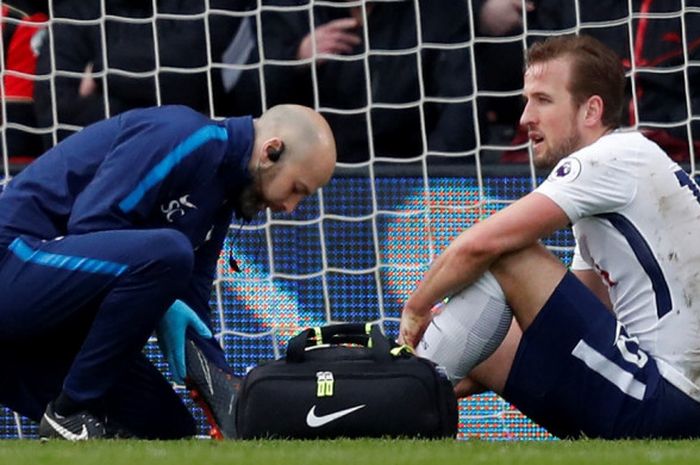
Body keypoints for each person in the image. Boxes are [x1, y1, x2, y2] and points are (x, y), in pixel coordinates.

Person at [399, 34, 700, 439]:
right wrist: (457, 356)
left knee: (510, 255)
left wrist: (416, 311)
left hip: (664, 399)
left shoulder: (607, 159)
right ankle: (408, 401)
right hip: (665, 400)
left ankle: (401, 403)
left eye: (543, 100)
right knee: (486, 329)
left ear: (591, 110)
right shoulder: (624, 171)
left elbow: (481, 245)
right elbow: (571, 316)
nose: (525, 117)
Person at [0, 103, 336, 440]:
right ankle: (69, 414)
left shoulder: (223, 196)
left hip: (45, 316)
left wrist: (231, 399)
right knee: (169, 253)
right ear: (271, 151)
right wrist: (159, 291)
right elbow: (90, 225)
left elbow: (192, 304)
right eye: (296, 189)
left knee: (168, 428)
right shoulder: (185, 135)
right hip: (12, 263)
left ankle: (72, 409)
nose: (289, 207)